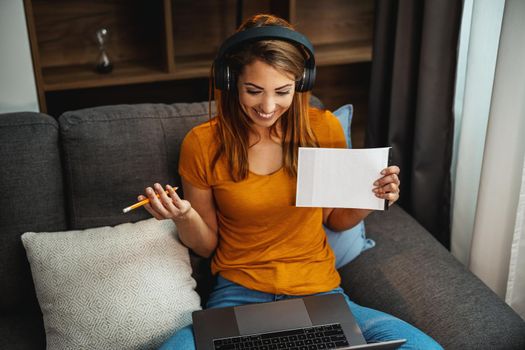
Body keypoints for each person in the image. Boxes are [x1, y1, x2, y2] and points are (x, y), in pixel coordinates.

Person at [139, 14, 442, 350]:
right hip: (238, 298)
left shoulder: (323, 130)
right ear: (230, 80)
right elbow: (207, 246)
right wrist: (184, 216)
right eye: (253, 91)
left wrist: (375, 198)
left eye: (282, 91)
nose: (268, 107)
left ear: (300, 84)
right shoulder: (202, 143)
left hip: (320, 295)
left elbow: (337, 220)